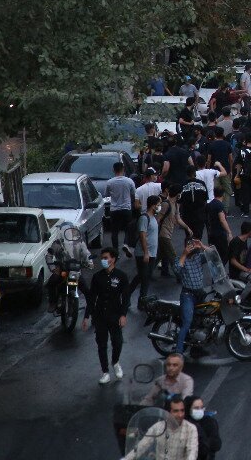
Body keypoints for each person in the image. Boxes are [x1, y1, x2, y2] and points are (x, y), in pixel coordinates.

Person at [82, 247, 129, 384]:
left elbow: (125, 298)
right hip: (100, 316)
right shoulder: (97, 277)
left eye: (106, 257)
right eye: (102, 258)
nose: (104, 260)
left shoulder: (121, 276)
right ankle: (105, 372)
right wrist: (86, 316)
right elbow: (92, 298)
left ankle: (115, 362)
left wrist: (123, 315)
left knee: (117, 341)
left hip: (115, 315)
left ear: (113, 259)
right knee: (101, 344)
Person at [122, 394, 198, 460]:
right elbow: (141, 446)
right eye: (176, 411)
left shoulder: (191, 429)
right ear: (167, 413)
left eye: (182, 410)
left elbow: (192, 452)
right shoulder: (157, 427)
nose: (180, 415)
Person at [173, 239, 209, 355]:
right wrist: (184, 254)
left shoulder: (199, 257)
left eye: (193, 245)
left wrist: (202, 246)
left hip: (200, 294)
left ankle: (196, 348)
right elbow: (177, 270)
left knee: (201, 321)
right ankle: (178, 352)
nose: (192, 247)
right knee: (187, 322)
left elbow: (214, 256)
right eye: (190, 245)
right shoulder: (180, 259)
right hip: (188, 295)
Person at [128, 195, 161, 309]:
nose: (159, 206)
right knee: (144, 278)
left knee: (143, 276)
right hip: (143, 254)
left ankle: (132, 296)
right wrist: (146, 252)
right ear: (153, 205)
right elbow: (142, 235)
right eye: (158, 204)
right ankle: (141, 301)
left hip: (152, 253)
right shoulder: (144, 218)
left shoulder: (153, 218)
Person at [107, 161, 137, 254]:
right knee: (129, 228)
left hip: (114, 209)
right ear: (123, 169)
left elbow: (107, 194)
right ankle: (126, 244)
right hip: (126, 208)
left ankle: (115, 252)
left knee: (114, 231)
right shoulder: (129, 181)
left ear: (113, 170)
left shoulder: (110, 182)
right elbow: (134, 193)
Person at [185, 395, 222, 460]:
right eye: (196, 408)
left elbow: (216, 444)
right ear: (188, 409)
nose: (200, 410)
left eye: (201, 407)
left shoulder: (209, 422)